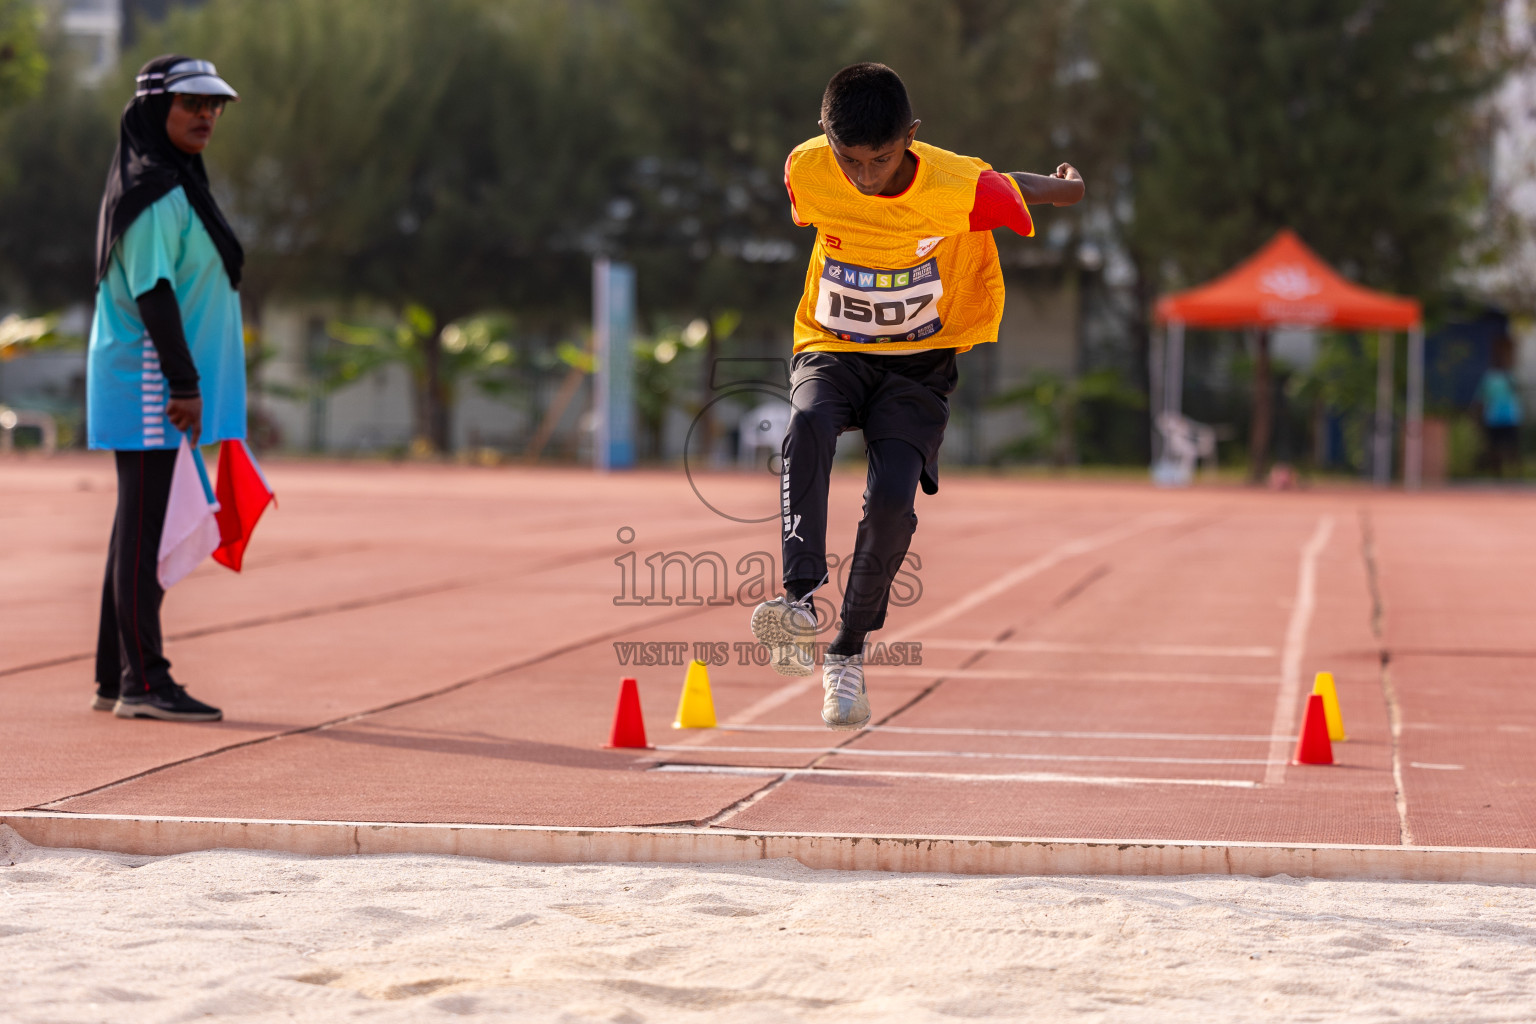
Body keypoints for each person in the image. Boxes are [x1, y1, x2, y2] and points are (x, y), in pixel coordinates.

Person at [750, 63, 1083, 730]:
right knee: (808, 422)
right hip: (833, 346)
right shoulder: (806, 170)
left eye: (881, 158)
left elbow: (1024, 187)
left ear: (913, 136)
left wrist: (1070, 186)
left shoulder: (960, 188)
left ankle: (847, 652)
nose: (865, 175)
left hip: (917, 368)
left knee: (894, 500)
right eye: (850, 159)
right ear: (825, 138)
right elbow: (814, 187)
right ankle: (798, 597)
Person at [88, 55, 246, 722]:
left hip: (162, 383)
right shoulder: (153, 193)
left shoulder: (176, 184)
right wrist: (184, 382)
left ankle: (114, 675)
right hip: (153, 382)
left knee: (137, 526)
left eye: (215, 106)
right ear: (158, 110)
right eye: (192, 104)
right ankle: (144, 683)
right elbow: (152, 293)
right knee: (145, 534)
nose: (207, 115)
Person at [1474, 334, 1522, 478]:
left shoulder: (1510, 377)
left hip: (1511, 416)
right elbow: (1481, 398)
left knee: (1512, 446)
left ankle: (1514, 474)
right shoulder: (1489, 378)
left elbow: (1516, 393)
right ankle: (1497, 474)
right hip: (1494, 417)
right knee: (1494, 447)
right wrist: (1477, 415)